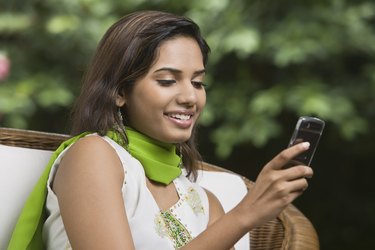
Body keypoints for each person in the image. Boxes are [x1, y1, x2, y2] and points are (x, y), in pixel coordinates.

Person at [42, 10, 313, 249]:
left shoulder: (205, 205)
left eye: (198, 83)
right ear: (120, 91)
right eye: (168, 80)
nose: (190, 98)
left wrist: (241, 217)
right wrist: (245, 215)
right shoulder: (94, 156)